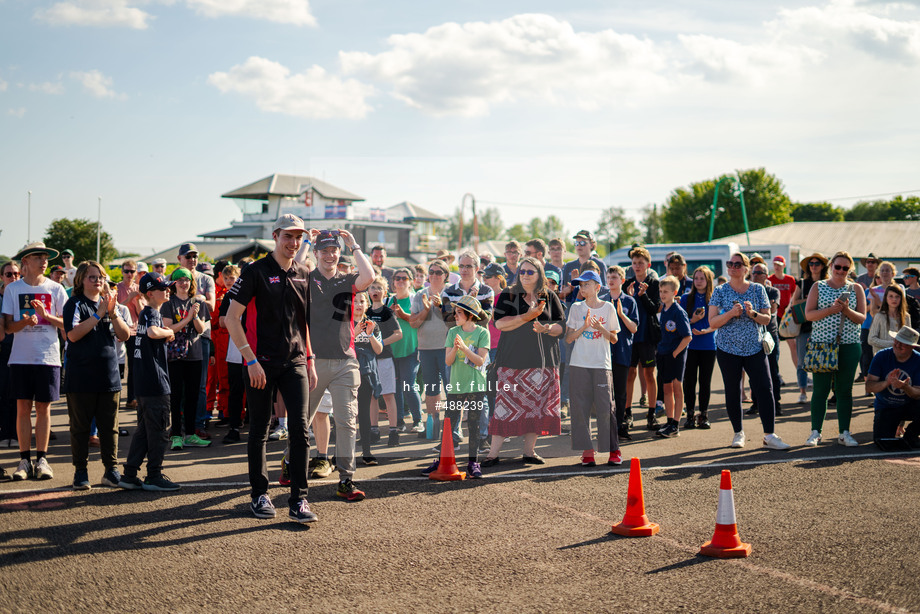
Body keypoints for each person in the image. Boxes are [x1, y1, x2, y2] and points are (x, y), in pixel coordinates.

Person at [225, 214, 320, 522]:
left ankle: (299, 500)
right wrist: (250, 360)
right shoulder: (255, 271)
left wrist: (310, 360)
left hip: (294, 362)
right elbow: (231, 318)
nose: (293, 243)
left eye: (298, 237)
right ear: (276, 235)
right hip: (260, 364)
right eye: (288, 236)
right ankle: (260, 495)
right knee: (260, 431)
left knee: (300, 431)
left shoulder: (304, 272)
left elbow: (305, 324)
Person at [305, 227, 375, 503]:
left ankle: (346, 479)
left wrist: (354, 244)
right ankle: (291, 462)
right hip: (313, 361)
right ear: (317, 253)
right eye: (325, 250)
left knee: (347, 422)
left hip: (346, 361)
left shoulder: (347, 281)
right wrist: (308, 242)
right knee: (303, 420)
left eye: (334, 250)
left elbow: (369, 277)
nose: (330, 254)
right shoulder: (305, 279)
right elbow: (292, 270)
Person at [482, 257, 564, 466]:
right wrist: (527, 317)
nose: (525, 275)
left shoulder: (549, 295)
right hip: (512, 363)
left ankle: (529, 452)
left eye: (530, 272)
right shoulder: (508, 295)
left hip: (543, 364)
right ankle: (493, 454)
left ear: (539, 275)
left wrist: (546, 328)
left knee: (537, 408)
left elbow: (561, 328)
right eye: (522, 271)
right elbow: (500, 324)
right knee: (504, 409)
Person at [709, 252, 791, 450]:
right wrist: (730, 313)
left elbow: (767, 318)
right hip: (727, 348)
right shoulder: (720, 290)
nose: (733, 267)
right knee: (733, 390)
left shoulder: (757, 289)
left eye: (737, 264)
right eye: (730, 263)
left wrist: (752, 313)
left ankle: (769, 435)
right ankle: (738, 433)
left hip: (754, 347)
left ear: (746, 269)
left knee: (764, 387)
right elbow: (712, 322)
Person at [2, 242, 69, 481]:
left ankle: (42, 460)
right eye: (38, 257)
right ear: (26, 262)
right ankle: (23, 460)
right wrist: (26, 322)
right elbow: (8, 328)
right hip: (20, 358)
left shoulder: (56, 288)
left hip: (48, 357)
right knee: (23, 408)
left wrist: (46, 316)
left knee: (43, 409)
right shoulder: (13, 289)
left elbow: (66, 324)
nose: (44, 261)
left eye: (46, 258)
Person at [63, 261, 130, 489]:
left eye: (100, 277)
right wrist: (98, 314)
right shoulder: (74, 303)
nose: (98, 281)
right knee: (80, 428)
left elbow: (124, 335)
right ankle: (80, 472)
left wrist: (112, 313)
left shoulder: (111, 304)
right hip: (80, 376)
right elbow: (72, 335)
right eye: (92, 277)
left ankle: (111, 470)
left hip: (108, 375)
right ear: (81, 280)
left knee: (109, 427)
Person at [118, 272, 181, 491]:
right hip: (155, 383)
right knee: (159, 431)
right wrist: (168, 331)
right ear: (150, 293)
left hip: (145, 384)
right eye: (162, 288)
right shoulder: (152, 313)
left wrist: (165, 332)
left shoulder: (145, 314)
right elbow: (154, 332)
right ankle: (153, 475)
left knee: (144, 430)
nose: (167, 290)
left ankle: (129, 474)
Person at [803, 251, 867, 447]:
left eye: (845, 268)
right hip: (822, 345)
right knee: (820, 390)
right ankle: (815, 432)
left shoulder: (856, 288)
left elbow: (862, 318)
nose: (841, 271)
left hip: (848, 345)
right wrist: (830, 310)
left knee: (844, 390)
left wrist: (846, 310)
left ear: (850, 270)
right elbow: (809, 315)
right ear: (830, 266)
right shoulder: (818, 286)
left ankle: (844, 432)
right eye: (837, 266)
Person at [422, 295, 490, 478]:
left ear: (470, 315)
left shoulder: (482, 333)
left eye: (459, 312)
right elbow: (448, 361)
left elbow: (480, 361)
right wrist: (454, 348)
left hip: (476, 385)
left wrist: (465, 349)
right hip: (456, 385)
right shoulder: (452, 332)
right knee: (449, 423)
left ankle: (473, 462)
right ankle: (442, 460)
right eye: (455, 312)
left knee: (474, 424)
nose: (455, 315)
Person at [564, 269, 621, 465]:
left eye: (586, 284)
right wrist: (584, 326)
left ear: (597, 287)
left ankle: (614, 451)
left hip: (601, 365)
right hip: (579, 364)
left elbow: (614, 338)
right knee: (580, 409)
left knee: (606, 408)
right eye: (580, 284)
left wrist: (599, 328)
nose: (582, 287)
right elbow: (569, 338)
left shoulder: (608, 308)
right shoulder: (576, 308)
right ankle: (588, 451)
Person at [161, 268, 211, 450]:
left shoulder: (198, 302)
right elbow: (168, 329)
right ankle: (176, 435)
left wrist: (195, 316)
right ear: (173, 284)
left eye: (187, 280)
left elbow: (200, 329)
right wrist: (188, 317)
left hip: (195, 354)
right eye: (179, 280)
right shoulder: (168, 303)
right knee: (175, 396)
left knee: (192, 396)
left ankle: (190, 434)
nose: (184, 283)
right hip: (174, 356)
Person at [176, 243, 216, 440]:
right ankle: (179, 425)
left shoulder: (207, 279)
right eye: (188, 256)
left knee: (200, 384)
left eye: (195, 256)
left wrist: (192, 297)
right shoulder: (172, 279)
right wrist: (196, 299)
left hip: (201, 336)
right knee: (179, 384)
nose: (192, 259)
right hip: (177, 337)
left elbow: (212, 305)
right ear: (179, 259)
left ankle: (198, 424)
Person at [410, 259, 452, 442]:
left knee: (451, 390)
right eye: (432, 272)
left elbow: (456, 322)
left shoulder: (452, 293)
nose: (434, 275)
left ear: (446, 275)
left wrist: (442, 307)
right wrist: (427, 309)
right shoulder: (420, 295)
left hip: (447, 348)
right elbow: (413, 323)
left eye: (438, 272)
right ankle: (433, 426)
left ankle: (452, 427)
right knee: (431, 390)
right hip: (426, 348)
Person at [623, 246, 661, 430]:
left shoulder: (653, 283)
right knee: (629, 374)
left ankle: (652, 413)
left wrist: (643, 295)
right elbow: (622, 310)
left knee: (649, 374)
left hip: (648, 336)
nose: (637, 266)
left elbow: (655, 309)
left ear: (648, 264)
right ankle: (627, 412)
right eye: (634, 263)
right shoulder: (626, 284)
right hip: (630, 338)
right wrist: (630, 298)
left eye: (640, 263)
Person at [866, 326, 920, 448]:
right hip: (887, 407)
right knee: (883, 442)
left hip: (910, 405)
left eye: (903, 343)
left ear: (912, 347)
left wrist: (905, 387)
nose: (898, 345)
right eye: (897, 340)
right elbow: (869, 387)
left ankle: (911, 435)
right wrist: (887, 382)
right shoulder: (881, 356)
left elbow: (917, 394)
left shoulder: (918, 360)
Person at [366, 277, 402, 448]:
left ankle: (393, 432)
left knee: (388, 395)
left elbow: (398, 333)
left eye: (379, 287)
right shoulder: (365, 311)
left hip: (385, 358)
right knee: (372, 396)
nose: (375, 290)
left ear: (385, 292)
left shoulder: (387, 312)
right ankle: (373, 431)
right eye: (372, 287)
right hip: (369, 359)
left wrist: (381, 344)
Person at [655, 275, 692, 438]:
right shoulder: (663, 309)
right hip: (663, 353)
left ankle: (676, 424)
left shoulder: (678, 311)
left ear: (674, 292)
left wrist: (675, 353)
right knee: (666, 388)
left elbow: (687, 336)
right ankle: (669, 421)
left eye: (666, 292)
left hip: (675, 355)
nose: (662, 294)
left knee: (677, 387)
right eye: (661, 291)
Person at [388, 268, 424, 433]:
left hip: (411, 349)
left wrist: (403, 315)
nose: (401, 281)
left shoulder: (415, 299)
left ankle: (418, 421)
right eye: (397, 278)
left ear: (410, 281)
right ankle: (399, 421)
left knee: (409, 385)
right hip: (391, 351)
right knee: (394, 387)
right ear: (393, 282)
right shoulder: (388, 301)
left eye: (404, 278)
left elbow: (420, 321)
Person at [680, 266, 716, 429]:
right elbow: (680, 323)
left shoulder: (714, 298)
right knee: (689, 382)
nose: (699, 281)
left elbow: (719, 321)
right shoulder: (686, 298)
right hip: (690, 345)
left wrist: (707, 330)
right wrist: (692, 320)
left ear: (708, 281)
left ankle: (703, 415)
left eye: (702, 278)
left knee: (705, 382)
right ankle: (689, 415)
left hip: (709, 345)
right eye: (696, 278)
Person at [605, 266, 638, 440]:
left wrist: (620, 314)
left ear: (622, 280)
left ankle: (619, 425)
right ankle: (606, 427)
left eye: (615, 277)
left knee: (620, 392)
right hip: (604, 353)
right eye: (609, 277)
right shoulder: (602, 300)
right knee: (604, 392)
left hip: (622, 352)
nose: (611, 280)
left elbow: (634, 328)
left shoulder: (629, 302)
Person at [791, 252, 829, 404]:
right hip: (805, 327)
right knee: (802, 362)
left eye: (817, 264)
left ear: (822, 266)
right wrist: (808, 300)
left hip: (824, 327)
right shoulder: (802, 283)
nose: (813, 266)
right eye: (811, 264)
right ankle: (802, 392)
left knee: (821, 362)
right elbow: (794, 303)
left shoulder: (828, 283)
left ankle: (820, 393)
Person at [352, 291, 383, 465]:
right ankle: (341, 454)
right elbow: (342, 345)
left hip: (366, 373)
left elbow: (379, 350)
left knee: (364, 413)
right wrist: (355, 332)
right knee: (346, 415)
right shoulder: (344, 323)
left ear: (367, 304)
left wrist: (370, 334)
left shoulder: (371, 324)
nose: (358, 304)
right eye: (355, 301)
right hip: (347, 373)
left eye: (362, 301)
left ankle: (366, 451)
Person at [749, 263, 783, 418]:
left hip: (770, 336)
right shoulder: (747, 291)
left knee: (773, 372)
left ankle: (776, 404)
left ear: (766, 275)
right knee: (753, 373)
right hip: (753, 336)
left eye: (758, 273)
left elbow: (773, 308)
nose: (754, 275)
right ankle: (756, 403)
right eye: (753, 273)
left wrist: (754, 311)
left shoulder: (772, 291)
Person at [116, 259, 144, 411]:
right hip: (119, 330)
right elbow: (116, 309)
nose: (129, 274)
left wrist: (137, 300)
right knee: (117, 364)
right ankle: (114, 397)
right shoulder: (117, 288)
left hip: (135, 330)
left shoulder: (139, 288)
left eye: (132, 271)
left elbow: (141, 314)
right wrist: (129, 298)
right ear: (122, 272)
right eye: (126, 271)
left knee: (134, 366)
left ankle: (131, 398)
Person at [0, 261, 21, 451]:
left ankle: (15, 433)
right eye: (9, 274)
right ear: (2, 277)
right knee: (2, 393)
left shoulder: (23, 295)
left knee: (17, 394)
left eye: (16, 274)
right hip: (2, 351)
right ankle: (4, 432)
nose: (13, 277)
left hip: (20, 349)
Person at [559, 230, 606, 307]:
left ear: (591, 245)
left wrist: (582, 285)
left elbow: (603, 290)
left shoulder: (600, 264)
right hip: (574, 307)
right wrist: (572, 287)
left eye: (583, 243)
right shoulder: (569, 266)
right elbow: (561, 293)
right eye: (576, 243)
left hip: (594, 307)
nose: (579, 246)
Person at [869, 284, 912, 352]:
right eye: (891, 296)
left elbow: (909, 338)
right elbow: (871, 339)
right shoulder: (879, 316)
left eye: (897, 296)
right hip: (883, 356)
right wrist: (893, 343)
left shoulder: (906, 316)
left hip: (901, 356)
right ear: (886, 298)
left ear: (901, 298)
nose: (894, 299)